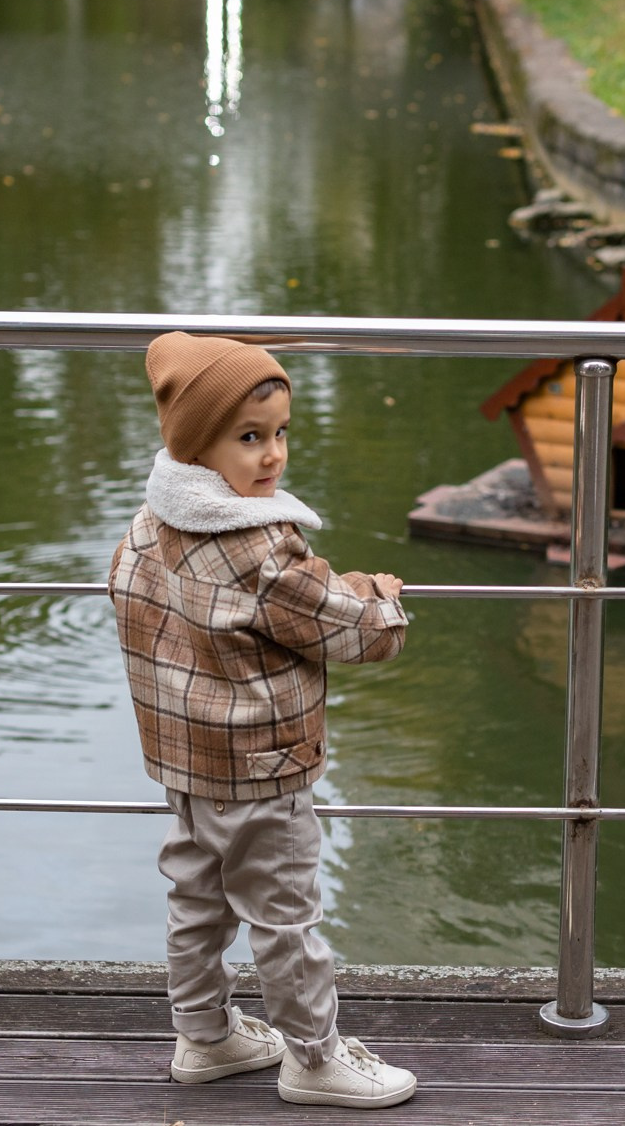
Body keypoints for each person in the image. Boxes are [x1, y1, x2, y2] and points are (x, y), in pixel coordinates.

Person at [109, 332, 415, 1109]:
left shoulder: (148, 525)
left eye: (280, 433)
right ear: (196, 443)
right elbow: (354, 630)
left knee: (196, 901)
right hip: (262, 766)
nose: (272, 455)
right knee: (285, 914)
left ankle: (204, 1035)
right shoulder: (260, 548)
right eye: (249, 438)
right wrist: (378, 591)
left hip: (184, 762)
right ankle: (313, 1058)